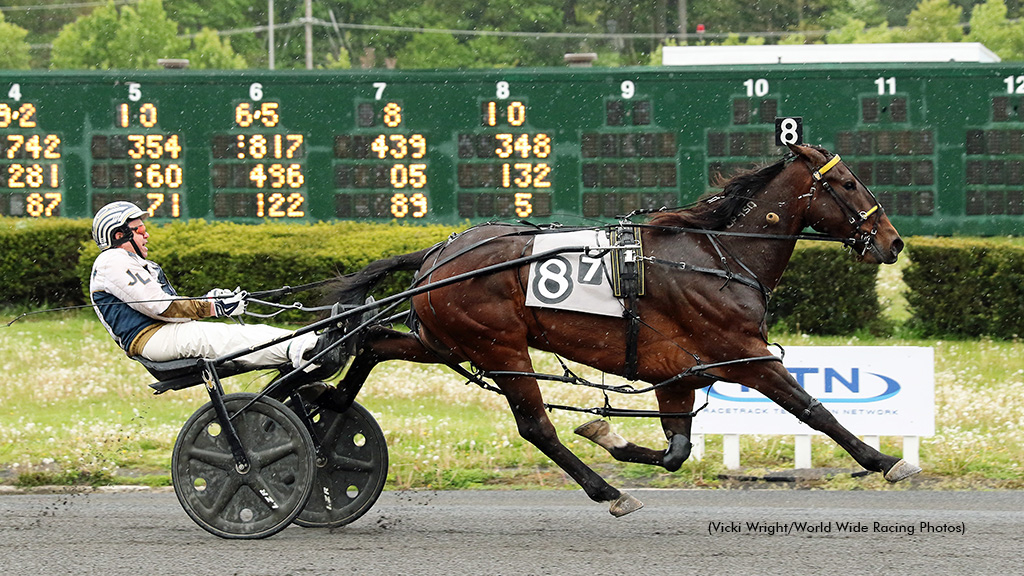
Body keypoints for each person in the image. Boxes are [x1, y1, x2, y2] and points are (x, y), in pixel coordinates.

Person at [89, 201, 341, 373]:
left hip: (161, 333)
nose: (147, 235)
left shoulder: (131, 262)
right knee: (224, 337)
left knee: (241, 335)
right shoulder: (112, 261)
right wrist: (212, 306)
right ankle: (305, 349)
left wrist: (209, 301)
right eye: (141, 229)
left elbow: (166, 305)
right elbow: (162, 307)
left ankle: (306, 346)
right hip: (150, 338)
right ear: (119, 235)